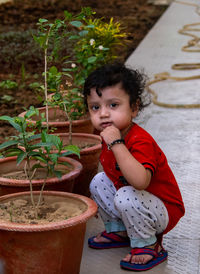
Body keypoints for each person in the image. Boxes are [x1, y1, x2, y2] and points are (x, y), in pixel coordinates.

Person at [83, 63, 185, 271]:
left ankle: (148, 243)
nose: (103, 114)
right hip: (137, 200)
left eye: (113, 105)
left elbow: (140, 182)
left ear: (135, 107)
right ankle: (119, 231)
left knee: (125, 195)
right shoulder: (109, 134)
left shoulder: (140, 140)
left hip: (163, 208)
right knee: (98, 181)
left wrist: (117, 144)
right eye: (95, 107)